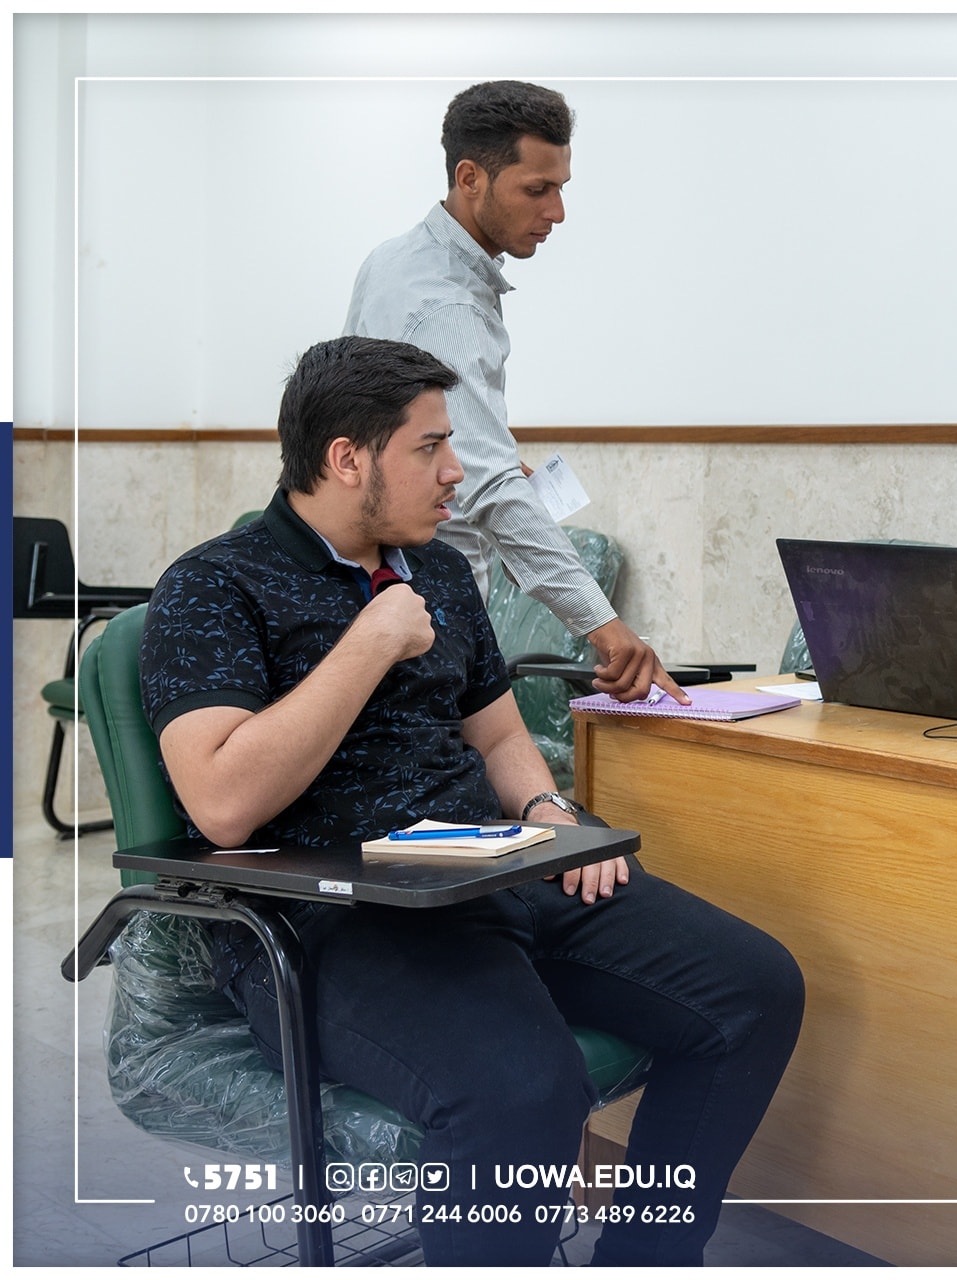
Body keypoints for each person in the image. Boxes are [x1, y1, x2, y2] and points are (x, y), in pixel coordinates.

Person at [140, 336, 804, 1266]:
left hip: (489, 870)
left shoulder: (441, 571)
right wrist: (369, 641)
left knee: (755, 990)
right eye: (430, 447)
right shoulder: (214, 585)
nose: (456, 470)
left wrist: (548, 815)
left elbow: (496, 738)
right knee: (521, 1090)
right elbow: (220, 805)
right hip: (331, 915)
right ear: (347, 458)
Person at [344, 79, 681, 704]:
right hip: (421, 607)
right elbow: (491, 490)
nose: (557, 212)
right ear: (470, 177)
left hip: (372, 593)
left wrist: (473, 455)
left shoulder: (392, 261)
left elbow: (383, 434)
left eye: (561, 188)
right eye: (537, 189)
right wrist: (606, 628)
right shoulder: (446, 305)